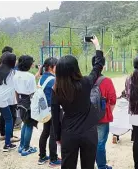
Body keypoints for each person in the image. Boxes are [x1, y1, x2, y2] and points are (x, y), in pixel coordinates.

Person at [51, 37, 104, 169]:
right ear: (76, 68)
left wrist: (58, 136)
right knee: (88, 165)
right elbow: (98, 66)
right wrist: (97, 46)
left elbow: (55, 116)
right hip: (89, 131)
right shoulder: (85, 82)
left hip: (69, 133)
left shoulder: (56, 89)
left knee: (68, 165)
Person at [37, 57, 61, 167]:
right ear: (51, 67)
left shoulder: (42, 78)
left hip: (44, 110)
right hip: (53, 110)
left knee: (45, 132)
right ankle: (53, 159)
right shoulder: (53, 80)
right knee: (53, 134)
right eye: (56, 66)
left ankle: (42, 156)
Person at [14, 55, 38, 156]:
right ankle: (26, 148)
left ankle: (21, 146)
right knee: (29, 125)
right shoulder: (30, 76)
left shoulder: (16, 74)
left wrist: (18, 101)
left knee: (25, 123)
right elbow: (33, 92)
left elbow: (16, 90)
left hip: (20, 100)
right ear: (28, 64)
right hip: (29, 101)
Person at [0, 52, 18, 152]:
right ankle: (7, 144)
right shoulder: (13, 73)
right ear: (12, 62)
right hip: (2, 99)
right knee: (9, 120)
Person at [96, 59, 117, 169]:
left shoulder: (86, 80)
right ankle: (101, 166)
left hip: (88, 117)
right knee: (100, 143)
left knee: (89, 142)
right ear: (103, 67)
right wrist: (107, 112)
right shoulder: (106, 81)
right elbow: (113, 100)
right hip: (102, 117)